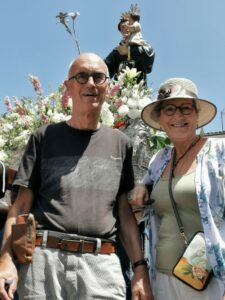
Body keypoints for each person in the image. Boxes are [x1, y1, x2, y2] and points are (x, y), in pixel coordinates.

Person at [0, 52, 153, 300]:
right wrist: (6, 260)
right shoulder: (43, 137)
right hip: (44, 265)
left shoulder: (121, 144)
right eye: (81, 76)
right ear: (68, 87)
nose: (90, 83)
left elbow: (124, 213)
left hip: (102, 266)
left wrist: (139, 269)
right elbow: (20, 207)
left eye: (98, 77)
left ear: (107, 87)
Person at [130, 77, 225, 299]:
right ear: (161, 119)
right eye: (169, 109)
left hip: (210, 280)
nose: (178, 116)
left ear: (196, 115)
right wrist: (142, 186)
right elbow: (145, 186)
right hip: (162, 279)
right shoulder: (159, 160)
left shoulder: (219, 152)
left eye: (185, 109)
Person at [105, 5, 155, 85]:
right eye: (122, 28)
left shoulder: (142, 44)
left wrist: (129, 51)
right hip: (118, 92)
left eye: (126, 25)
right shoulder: (117, 51)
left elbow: (149, 60)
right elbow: (105, 68)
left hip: (138, 92)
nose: (124, 29)